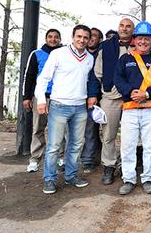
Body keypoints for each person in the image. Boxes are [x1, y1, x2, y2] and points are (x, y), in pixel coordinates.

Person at [35, 25, 94, 194]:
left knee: (76, 144)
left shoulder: (89, 58)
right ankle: (49, 179)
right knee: (54, 145)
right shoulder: (58, 54)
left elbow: (89, 81)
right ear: (73, 37)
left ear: (89, 40)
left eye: (85, 37)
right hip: (59, 105)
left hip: (80, 106)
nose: (82, 40)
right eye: (79, 36)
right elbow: (43, 78)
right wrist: (41, 100)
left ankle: (71, 176)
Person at [113, 21, 151, 195]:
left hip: (150, 109)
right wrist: (131, 91)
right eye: (140, 38)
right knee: (127, 145)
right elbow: (118, 79)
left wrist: (147, 94)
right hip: (129, 108)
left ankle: (147, 179)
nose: (143, 42)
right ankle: (128, 179)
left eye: (147, 39)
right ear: (134, 40)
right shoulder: (125, 58)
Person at [88, 18, 135, 185]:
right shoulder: (106, 46)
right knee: (108, 134)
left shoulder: (139, 45)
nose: (124, 28)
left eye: (128, 26)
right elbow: (96, 72)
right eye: (122, 26)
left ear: (133, 29)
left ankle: (125, 164)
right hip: (110, 96)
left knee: (130, 136)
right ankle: (109, 165)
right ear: (118, 28)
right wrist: (94, 94)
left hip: (132, 98)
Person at [23, 28, 63, 172]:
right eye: (50, 37)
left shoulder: (63, 53)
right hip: (41, 97)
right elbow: (29, 76)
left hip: (59, 97)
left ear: (60, 39)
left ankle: (60, 157)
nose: (53, 39)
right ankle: (35, 158)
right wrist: (26, 97)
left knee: (60, 129)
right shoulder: (36, 54)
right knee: (38, 128)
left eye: (56, 37)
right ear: (46, 38)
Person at [81, 27, 104, 173]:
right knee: (86, 129)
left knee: (94, 129)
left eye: (95, 36)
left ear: (99, 40)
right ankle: (87, 158)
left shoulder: (102, 54)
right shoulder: (80, 54)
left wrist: (94, 95)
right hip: (79, 96)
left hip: (100, 96)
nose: (91, 38)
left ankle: (90, 159)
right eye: (90, 36)